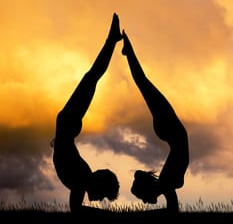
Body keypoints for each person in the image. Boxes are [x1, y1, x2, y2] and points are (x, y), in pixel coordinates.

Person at [51, 13, 122, 213]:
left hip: (68, 125)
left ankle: (112, 40)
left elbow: (76, 209)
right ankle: (112, 40)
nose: (98, 200)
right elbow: (76, 210)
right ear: (98, 185)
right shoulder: (82, 179)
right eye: (103, 196)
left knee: (93, 77)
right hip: (67, 123)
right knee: (92, 76)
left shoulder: (82, 182)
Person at [121, 29, 189, 212]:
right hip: (172, 132)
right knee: (142, 83)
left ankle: (129, 52)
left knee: (142, 82)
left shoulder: (166, 183)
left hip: (171, 129)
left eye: (142, 197)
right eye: (141, 198)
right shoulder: (166, 183)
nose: (144, 202)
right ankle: (129, 52)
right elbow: (172, 210)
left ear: (148, 190)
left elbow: (172, 211)